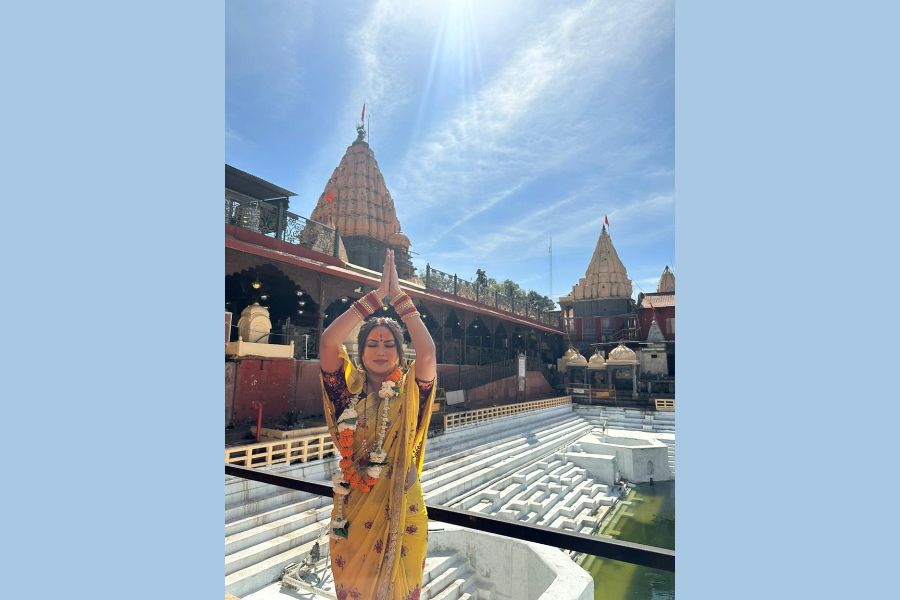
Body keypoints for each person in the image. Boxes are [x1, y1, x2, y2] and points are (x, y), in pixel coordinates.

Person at [319, 249, 437, 600]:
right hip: (353, 509)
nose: (380, 349)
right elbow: (328, 342)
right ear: (360, 351)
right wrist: (370, 301)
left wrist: (400, 302)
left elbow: (428, 353)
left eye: (389, 344)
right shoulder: (345, 391)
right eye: (372, 343)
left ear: (401, 354)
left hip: (402, 506)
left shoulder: (410, 389)